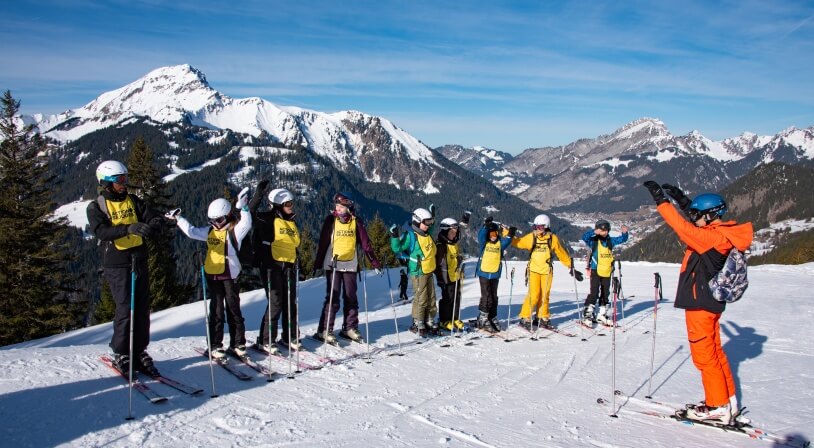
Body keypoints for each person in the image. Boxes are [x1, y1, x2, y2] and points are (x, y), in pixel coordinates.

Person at [644, 181, 753, 424]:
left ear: (710, 216)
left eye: (697, 214)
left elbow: (682, 228)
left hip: (700, 303)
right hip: (709, 302)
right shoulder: (721, 233)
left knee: (704, 357)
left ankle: (716, 406)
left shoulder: (710, 238)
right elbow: (695, 224)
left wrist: (662, 201)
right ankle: (728, 401)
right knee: (715, 352)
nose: (694, 218)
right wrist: (683, 200)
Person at [87, 160, 165, 376]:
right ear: (106, 182)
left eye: (125, 179)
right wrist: (129, 228)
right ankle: (121, 352)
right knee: (125, 308)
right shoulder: (97, 206)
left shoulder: (132, 200)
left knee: (141, 308)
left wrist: (155, 224)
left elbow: (153, 214)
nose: (124, 183)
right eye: (120, 180)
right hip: (117, 261)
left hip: (139, 258)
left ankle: (139, 350)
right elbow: (101, 231)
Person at [170, 189, 251, 359]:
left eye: (219, 220)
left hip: (230, 276)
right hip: (212, 274)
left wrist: (244, 208)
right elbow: (192, 232)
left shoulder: (234, 232)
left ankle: (238, 343)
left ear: (228, 216)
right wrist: (178, 218)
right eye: (212, 220)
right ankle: (215, 345)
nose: (216, 223)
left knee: (233, 309)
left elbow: (246, 224)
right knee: (216, 311)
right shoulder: (209, 231)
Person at [313, 192, 382, 344]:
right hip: (333, 264)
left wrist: (374, 262)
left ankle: (349, 327)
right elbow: (323, 242)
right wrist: (317, 263)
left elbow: (365, 244)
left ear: (348, 207)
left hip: (350, 264)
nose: (338, 208)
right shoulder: (331, 220)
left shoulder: (356, 222)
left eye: (341, 206)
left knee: (351, 297)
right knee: (333, 298)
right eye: (337, 205)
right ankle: (324, 330)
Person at [249, 184, 303, 354]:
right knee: (276, 302)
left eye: (291, 203)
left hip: (288, 266)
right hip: (271, 266)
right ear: (278, 205)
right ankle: (265, 340)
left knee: (290, 302)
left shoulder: (290, 221)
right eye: (287, 204)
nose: (291, 206)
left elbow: (293, 244)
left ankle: (290, 336)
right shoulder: (266, 219)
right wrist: (258, 196)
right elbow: (249, 215)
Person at [512, 214, 582, 330]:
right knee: (533, 295)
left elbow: (561, 253)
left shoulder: (552, 239)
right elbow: (518, 243)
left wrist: (571, 267)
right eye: (536, 227)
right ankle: (525, 317)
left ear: (546, 226)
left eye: (540, 227)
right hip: (534, 270)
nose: (537, 229)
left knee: (545, 296)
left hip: (547, 271)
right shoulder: (532, 237)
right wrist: (507, 234)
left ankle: (542, 317)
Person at [390, 206, 438, 336]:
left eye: (429, 222)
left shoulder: (426, 232)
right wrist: (394, 236)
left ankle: (429, 318)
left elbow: (431, 226)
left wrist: (432, 215)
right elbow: (397, 248)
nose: (428, 225)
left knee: (431, 297)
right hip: (418, 271)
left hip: (429, 270)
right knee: (421, 298)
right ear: (417, 221)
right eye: (426, 222)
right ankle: (418, 321)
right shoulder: (411, 236)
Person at [581, 219, 629, 326]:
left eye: (607, 230)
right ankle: (587, 314)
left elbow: (622, 239)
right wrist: (594, 232)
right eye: (602, 230)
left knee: (605, 293)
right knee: (594, 293)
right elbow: (584, 237)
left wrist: (625, 233)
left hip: (607, 271)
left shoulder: (610, 241)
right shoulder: (593, 241)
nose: (605, 232)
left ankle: (602, 314)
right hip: (595, 270)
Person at [475, 218, 514, 332]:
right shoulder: (484, 243)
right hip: (484, 273)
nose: (493, 236)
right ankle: (483, 317)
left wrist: (510, 234)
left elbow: (506, 241)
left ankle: (492, 316)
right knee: (486, 296)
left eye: (495, 234)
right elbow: (481, 236)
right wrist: (485, 227)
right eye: (491, 234)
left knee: (494, 297)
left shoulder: (499, 244)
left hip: (495, 274)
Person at [435, 217, 465, 331]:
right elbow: (437, 264)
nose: (454, 234)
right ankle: (444, 320)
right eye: (452, 232)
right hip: (445, 278)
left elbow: (455, 257)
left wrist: (459, 260)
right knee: (447, 299)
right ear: (445, 231)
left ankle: (454, 318)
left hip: (455, 276)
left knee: (456, 298)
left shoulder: (453, 243)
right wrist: (439, 278)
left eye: (455, 232)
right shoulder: (441, 245)